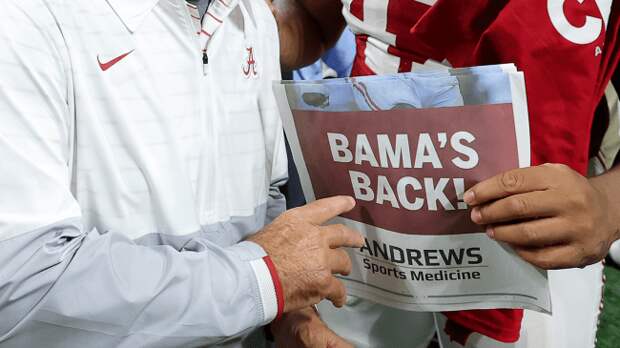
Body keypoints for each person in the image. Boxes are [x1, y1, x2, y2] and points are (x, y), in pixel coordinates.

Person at [0, 0, 365, 346]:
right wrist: (264, 279)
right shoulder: (24, 20)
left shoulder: (252, 18)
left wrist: (289, 315)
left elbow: (263, 208)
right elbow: (24, 288)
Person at [270, 0, 620, 347]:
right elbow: (313, 21)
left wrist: (608, 204)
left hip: (536, 219)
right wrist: (250, 28)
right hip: (371, 202)